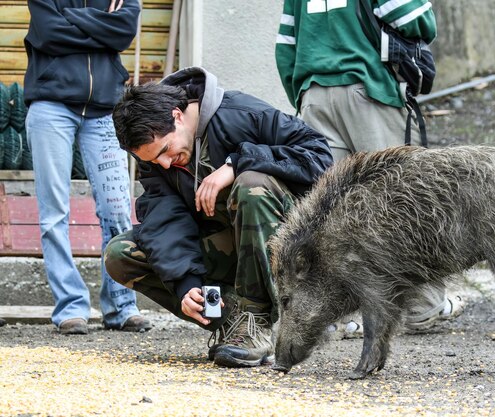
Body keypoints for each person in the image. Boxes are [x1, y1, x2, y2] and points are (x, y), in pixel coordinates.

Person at [104, 67, 333, 368]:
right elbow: (163, 218)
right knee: (120, 254)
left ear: (176, 115)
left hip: (287, 248)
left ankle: (258, 316)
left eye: (165, 150)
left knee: (252, 185)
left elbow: (319, 156)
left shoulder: (241, 113)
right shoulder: (157, 155)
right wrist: (185, 282)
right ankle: (235, 320)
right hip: (226, 247)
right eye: (153, 160)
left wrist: (237, 164)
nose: (164, 163)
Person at [275, 0, 464, 338]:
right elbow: (416, 18)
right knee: (402, 203)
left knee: (329, 216)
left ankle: (337, 316)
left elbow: (286, 46)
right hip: (369, 89)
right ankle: (424, 308)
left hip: (314, 95)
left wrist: (304, 94)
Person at [23, 0, 151, 335]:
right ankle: (71, 307)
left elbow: (122, 33)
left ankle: (121, 306)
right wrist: (100, 25)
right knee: (54, 213)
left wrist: (74, 19)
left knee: (118, 210)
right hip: (51, 107)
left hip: (105, 111)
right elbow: (49, 33)